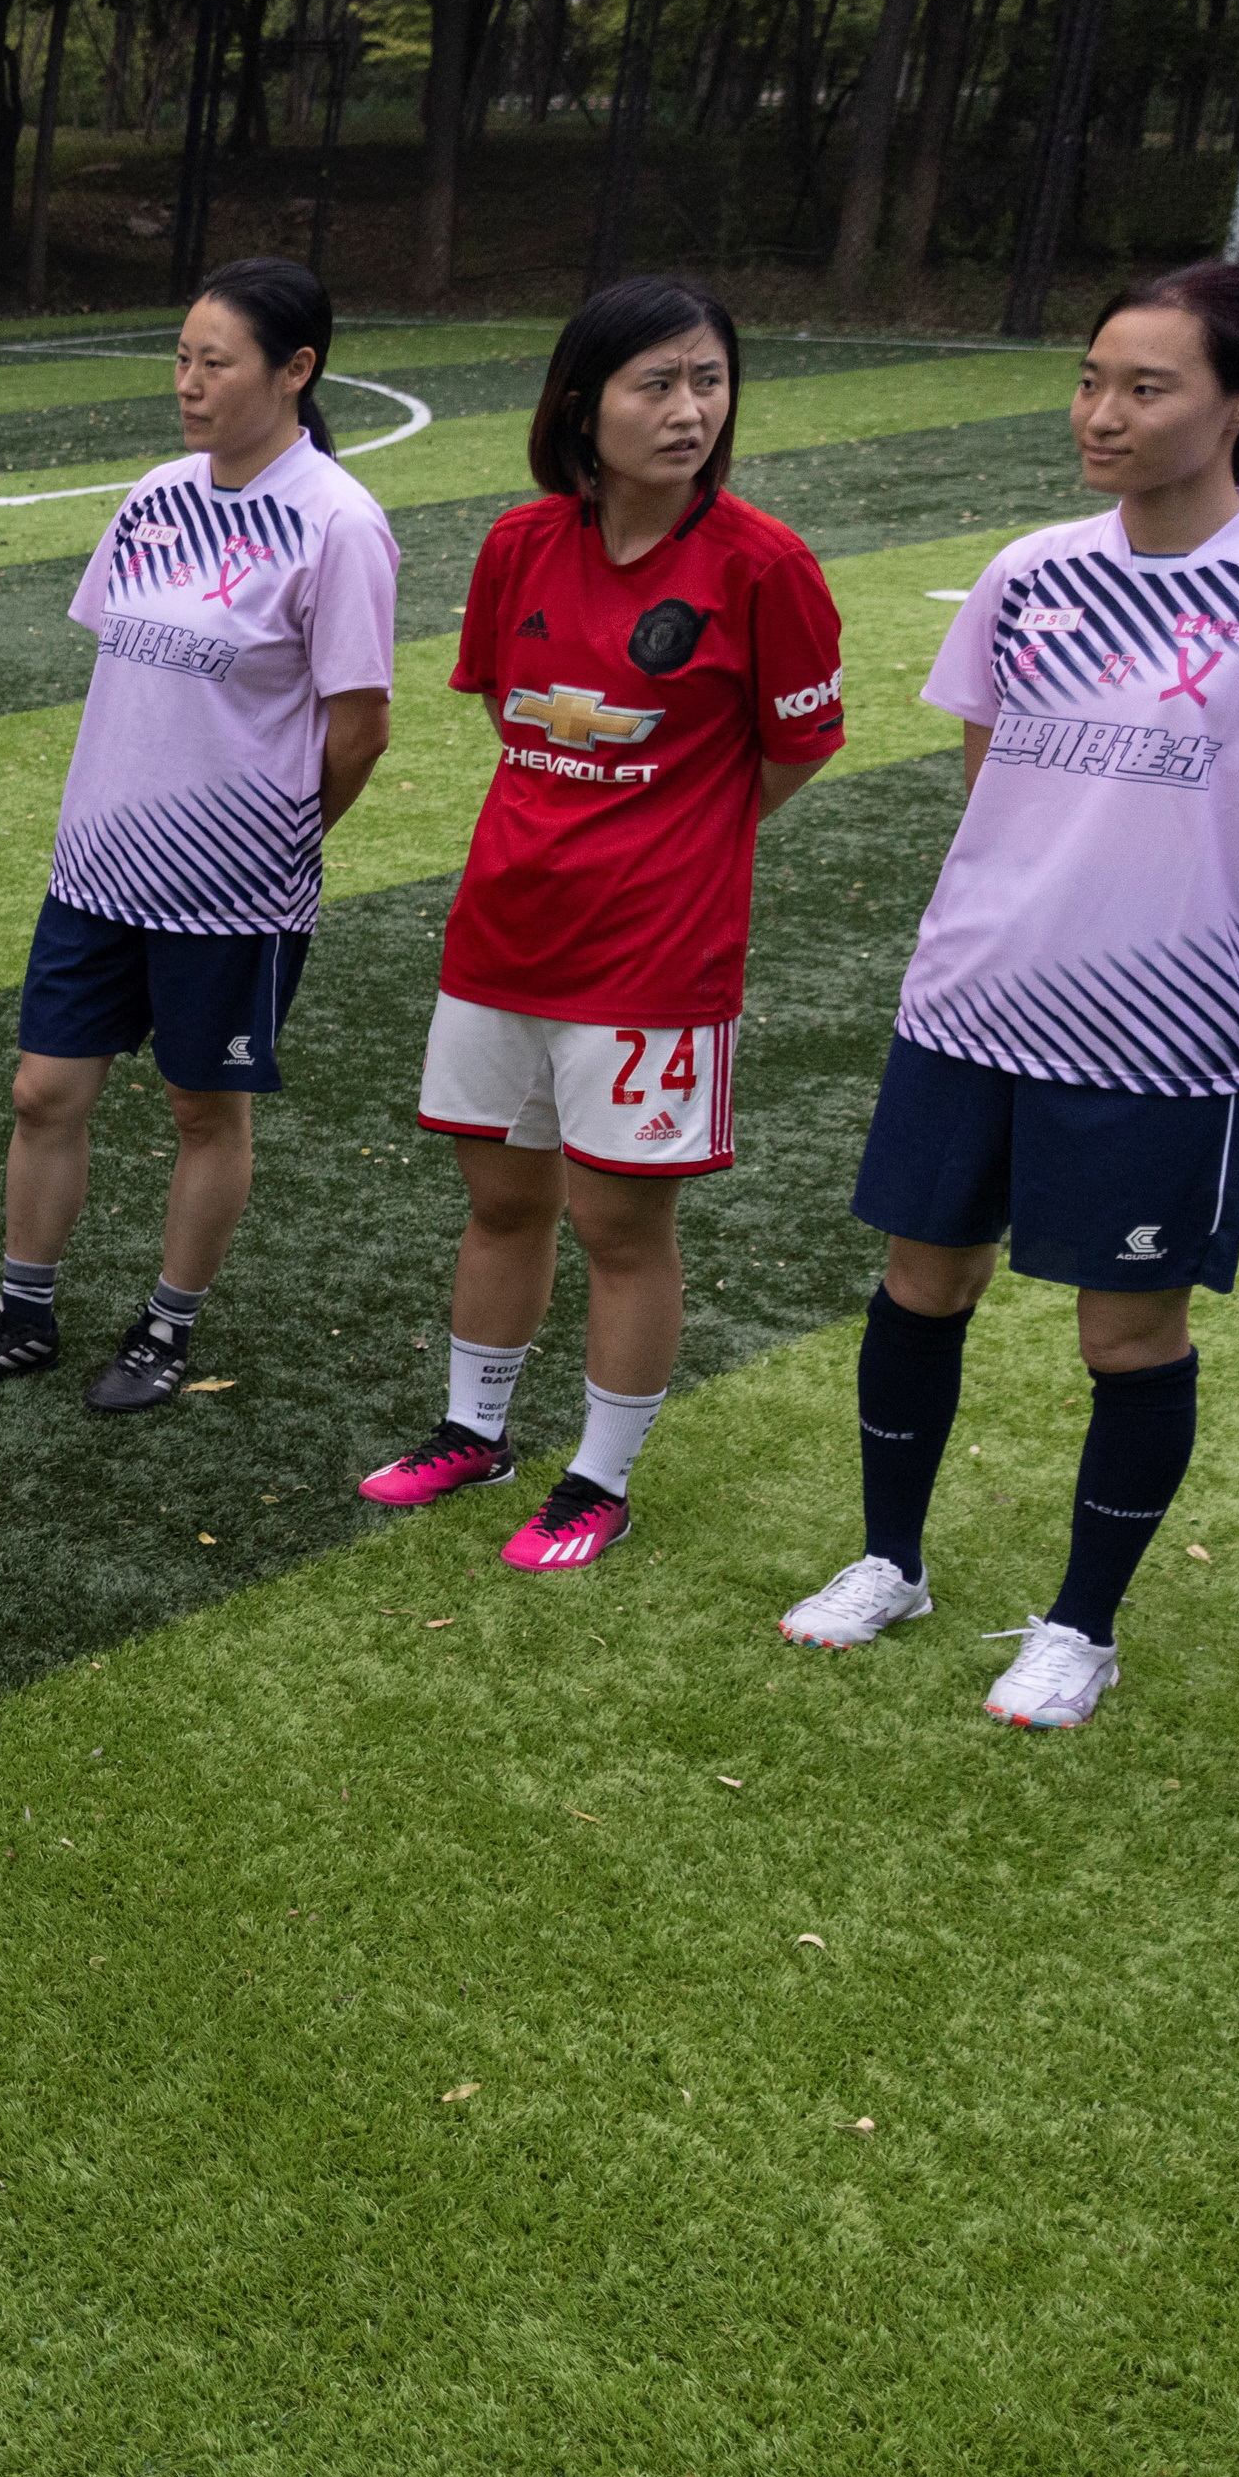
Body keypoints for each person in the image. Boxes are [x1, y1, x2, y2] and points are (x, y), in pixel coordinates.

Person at [782, 263, 1239, 1725]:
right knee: (920, 1281)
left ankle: (1083, 1624)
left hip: (1163, 1038)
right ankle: (889, 1560)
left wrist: (1198, 918)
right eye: (1091, 380)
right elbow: (989, 769)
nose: (1103, 414)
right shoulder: (1032, 568)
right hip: (970, 1002)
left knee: (1126, 1336)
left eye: (1147, 387)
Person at [354, 277, 843, 1573]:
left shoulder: (763, 565)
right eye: (657, 383)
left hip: (653, 963)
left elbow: (795, 750)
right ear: (581, 404)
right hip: (502, 937)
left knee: (622, 1227)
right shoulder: (520, 544)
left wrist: (675, 836)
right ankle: (476, 1431)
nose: (690, 409)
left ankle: (600, 1479)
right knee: (501, 1201)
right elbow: (508, 712)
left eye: (708, 381)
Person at [0, 255, 396, 1399]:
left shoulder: (337, 525)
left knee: (203, 1105)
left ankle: (166, 1328)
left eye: (214, 362)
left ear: (295, 371)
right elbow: (130, 673)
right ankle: (23, 1312)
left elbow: (362, 727)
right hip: (98, 864)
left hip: (234, 889)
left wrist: (277, 836)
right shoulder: (154, 497)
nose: (187, 383)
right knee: (44, 1090)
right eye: (180, 358)